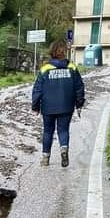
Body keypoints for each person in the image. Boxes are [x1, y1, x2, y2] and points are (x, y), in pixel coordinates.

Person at [31, 39, 85, 167]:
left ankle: (45, 158)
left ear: (51, 52)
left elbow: (37, 89)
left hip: (48, 107)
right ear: (64, 53)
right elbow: (79, 87)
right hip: (66, 106)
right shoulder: (72, 67)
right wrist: (79, 104)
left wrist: (35, 106)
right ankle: (64, 149)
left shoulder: (45, 69)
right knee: (63, 130)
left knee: (48, 131)